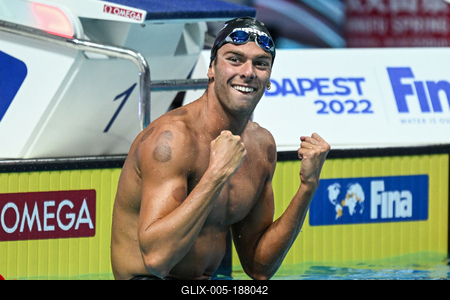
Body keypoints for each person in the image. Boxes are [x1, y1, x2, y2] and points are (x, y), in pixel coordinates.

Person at [110, 17, 330, 280]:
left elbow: (259, 269)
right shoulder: (171, 140)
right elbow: (157, 259)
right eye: (235, 59)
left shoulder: (261, 146)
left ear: (269, 77)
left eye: (260, 63)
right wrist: (216, 174)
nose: (248, 72)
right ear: (211, 68)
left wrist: (308, 186)